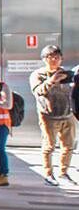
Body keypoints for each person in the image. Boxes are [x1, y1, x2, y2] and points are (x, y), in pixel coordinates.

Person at [30, 45, 76, 185]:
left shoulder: (67, 74)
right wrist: (51, 80)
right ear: (44, 59)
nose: (55, 60)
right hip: (48, 116)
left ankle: (63, 172)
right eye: (51, 57)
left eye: (58, 57)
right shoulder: (38, 74)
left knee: (68, 146)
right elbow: (37, 91)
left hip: (68, 115)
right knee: (49, 146)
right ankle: (48, 174)